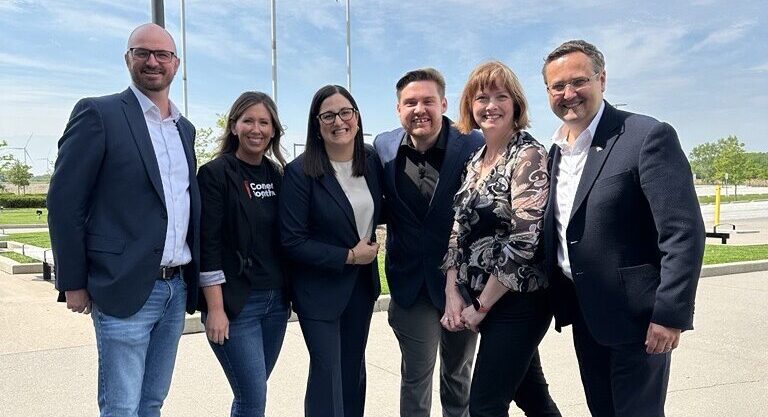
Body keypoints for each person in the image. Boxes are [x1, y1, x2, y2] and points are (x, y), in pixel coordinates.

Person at [540, 40, 706, 417]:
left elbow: (682, 232)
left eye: (578, 81)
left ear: (602, 79)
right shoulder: (555, 152)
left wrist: (670, 314)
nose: (568, 93)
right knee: (602, 410)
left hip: (639, 320)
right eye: (557, 86)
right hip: (585, 313)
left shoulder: (646, 136)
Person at [47, 23, 200, 416]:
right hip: (123, 286)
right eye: (142, 52)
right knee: (121, 406)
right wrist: (73, 282)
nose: (153, 61)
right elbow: (65, 202)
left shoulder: (184, 129)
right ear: (127, 58)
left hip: (175, 288)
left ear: (176, 63)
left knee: (152, 402)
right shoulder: (99, 114)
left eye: (162, 54)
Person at [442, 61, 561, 417]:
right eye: (481, 98)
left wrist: (481, 307)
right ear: (470, 106)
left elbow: (524, 240)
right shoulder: (475, 160)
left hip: (519, 302)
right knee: (532, 397)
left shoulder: (528, 155)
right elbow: (458, 229)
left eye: (501, 97)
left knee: (485, 407)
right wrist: (452, 290)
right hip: (483, 300)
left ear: (516, 104)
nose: (490, 105)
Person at [373, 68, 482, 417]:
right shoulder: (384, 147)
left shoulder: (473, 143)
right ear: (398, 109)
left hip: (462, 285)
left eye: (428, 101)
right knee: (415, 377)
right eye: (410, 102)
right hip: (410, 285)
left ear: (444, 104)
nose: (419, 109)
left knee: (458, 375)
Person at [279, 85, 383, 417]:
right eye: (328, 115)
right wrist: (349, 256)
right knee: (327, 375)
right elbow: (292, 241)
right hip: (319, 292)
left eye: (345, 112)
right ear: (317, 124)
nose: (338, 121)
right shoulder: (300, 172)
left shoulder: (371, 161)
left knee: (353, 372)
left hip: (361, 289)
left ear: (357, 117)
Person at [197, 91, 289, 417]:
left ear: (273, 130)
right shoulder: (215, 174)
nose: (256, 129)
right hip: (236, 306)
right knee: (252, 398)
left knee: (253, 393)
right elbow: (207, 244)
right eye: (248, 121)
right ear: (234, 126)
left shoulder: (278, 175)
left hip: (276, 304)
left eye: (264, 122)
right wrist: (215, 309)